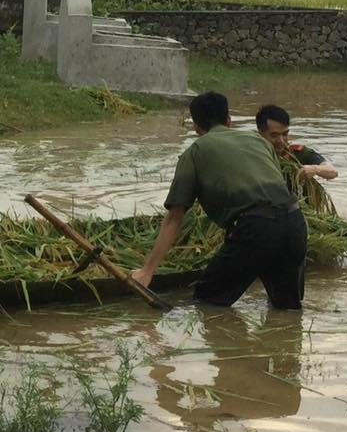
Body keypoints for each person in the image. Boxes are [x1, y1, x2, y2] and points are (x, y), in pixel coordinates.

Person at [132, 92, 307, 310]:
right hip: (295, 223)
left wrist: (147, 271)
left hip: (256, 230)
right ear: (229, 120)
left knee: (206, 302)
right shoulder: (258, 141)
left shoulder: (195, 151)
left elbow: (174, 217)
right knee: (286, 309)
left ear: (196, 127)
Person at [255, 104, 338, 182]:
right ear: (260, 134)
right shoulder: (251, 155)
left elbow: (333, 172)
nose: (281, 140)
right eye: (274, 135)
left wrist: (315, 169)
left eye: (285, 134)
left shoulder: (297, 153)